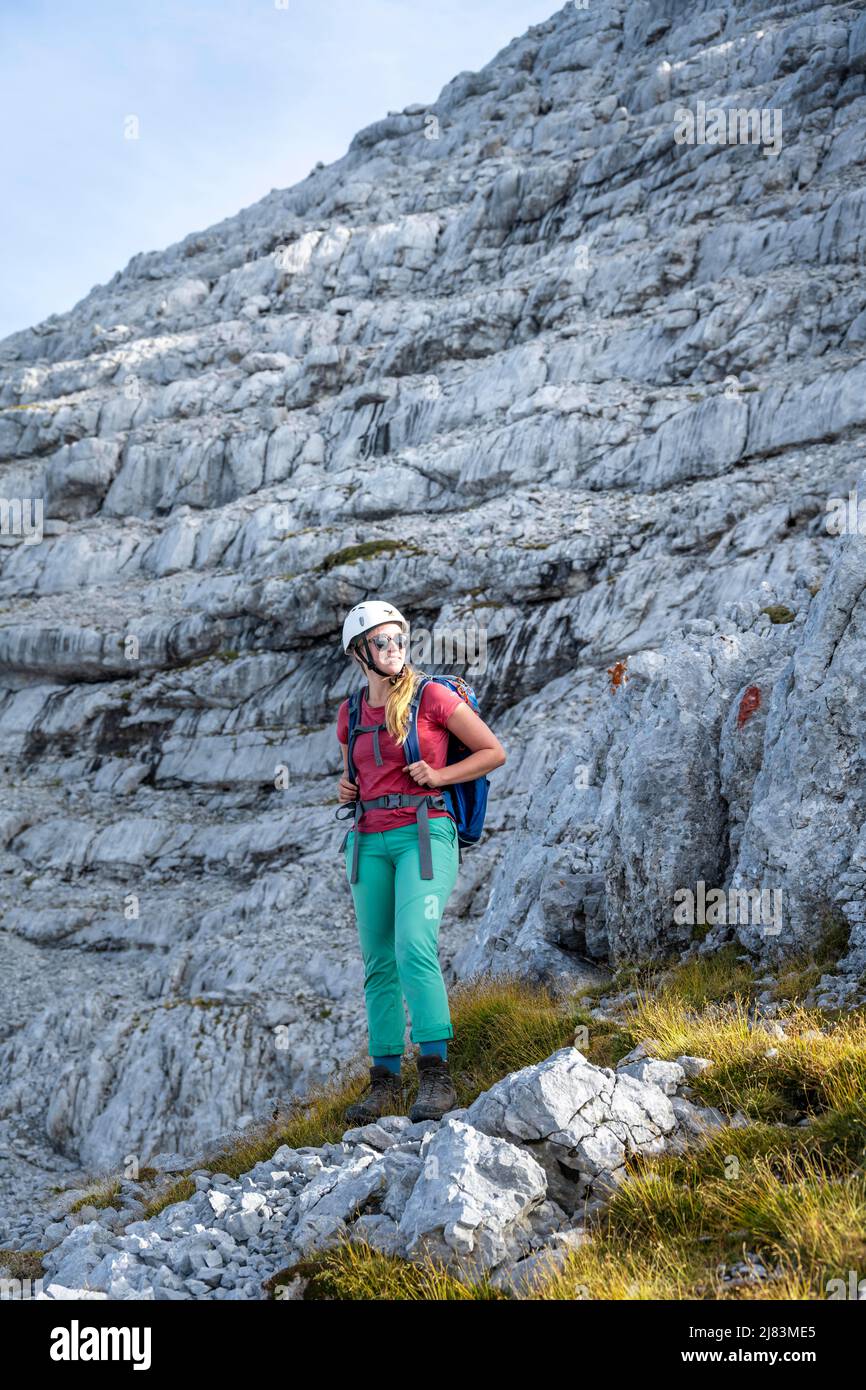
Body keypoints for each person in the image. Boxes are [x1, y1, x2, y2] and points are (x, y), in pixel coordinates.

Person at [336, 599, 506, 1124]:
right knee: (378, 963)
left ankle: (436, 1074)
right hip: (367, 843)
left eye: (400, 641)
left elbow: (492, 751)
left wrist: (441, 777)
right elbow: (364, 771)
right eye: (382, 642)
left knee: (414, 945)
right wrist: (346, 788)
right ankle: (383, 1081)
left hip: (425, 835)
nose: (394, 650)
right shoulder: (349, 715)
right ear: (359, 652)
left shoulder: (431, 695)